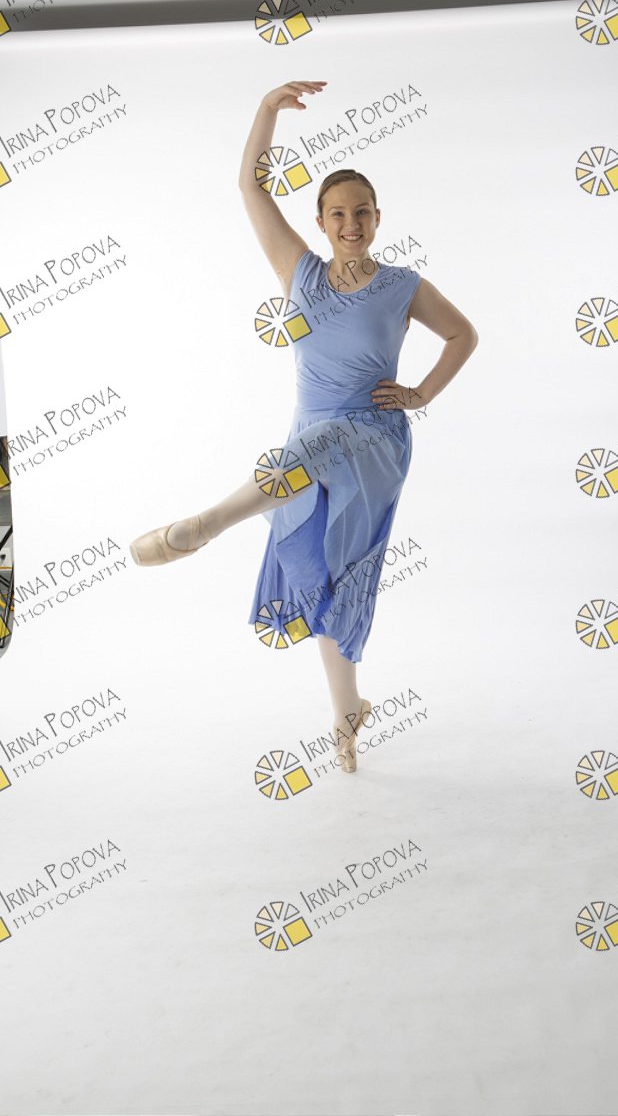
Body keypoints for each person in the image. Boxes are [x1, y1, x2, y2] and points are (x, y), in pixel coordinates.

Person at [130, 80, 478, 772]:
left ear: (378, 218)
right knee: (329, 578)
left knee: (322, 447)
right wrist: (266, 111)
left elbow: (463, 334)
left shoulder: (403, 286)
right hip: (308, 438)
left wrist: (418, 393)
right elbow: (250, 187)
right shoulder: (301, 275)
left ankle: (204, 525)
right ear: (320, 222)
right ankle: (348, 713)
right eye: (338, 213)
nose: (351, 224)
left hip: (372, 438)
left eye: (362, 212)